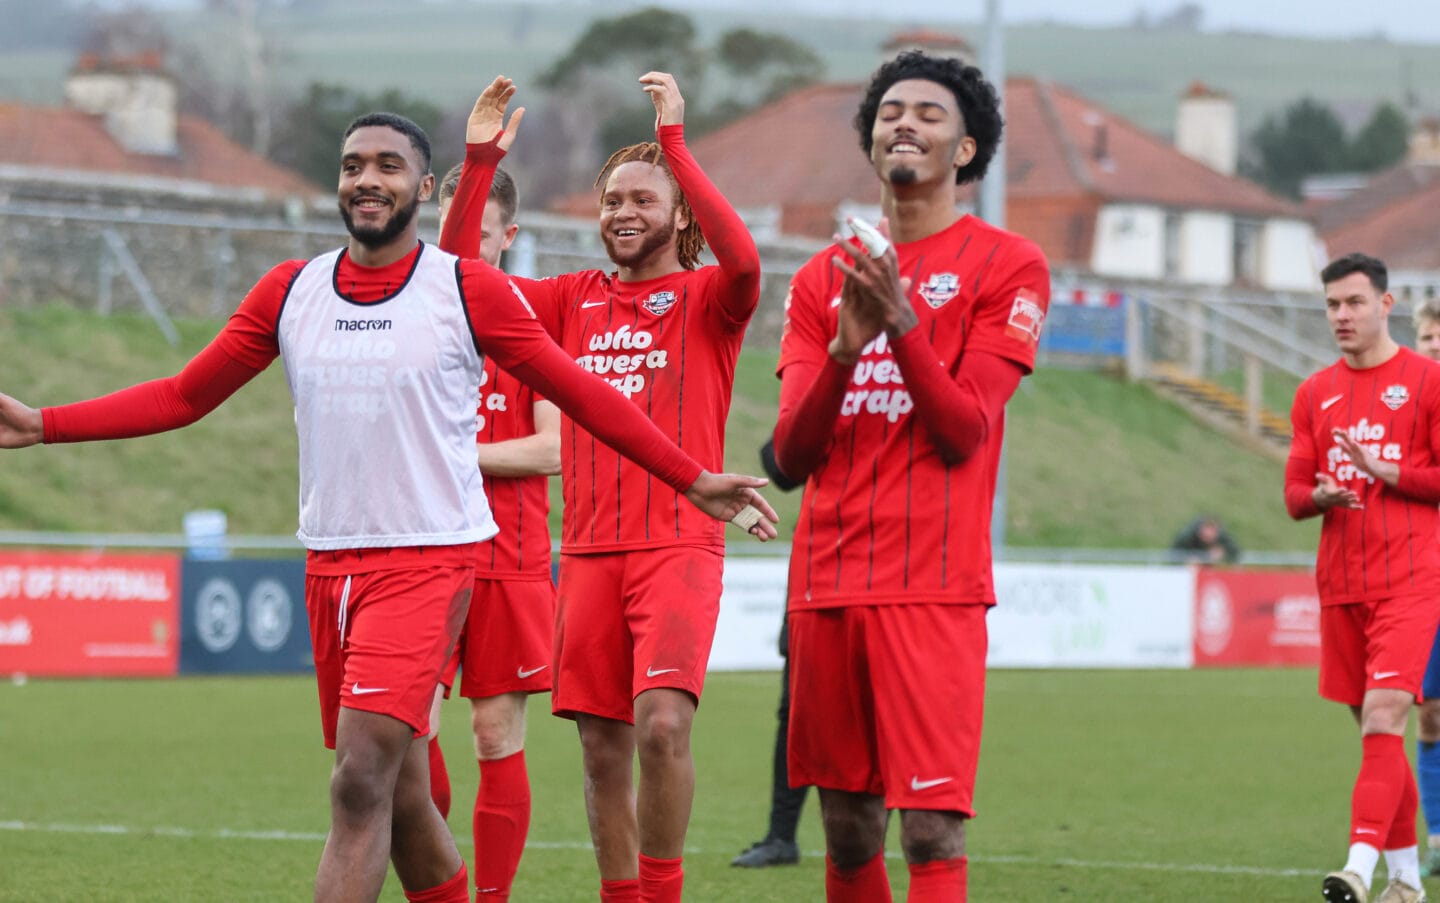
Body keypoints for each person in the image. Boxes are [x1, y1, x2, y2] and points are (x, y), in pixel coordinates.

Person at [0, 110, 777, 903]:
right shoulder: (291, 290)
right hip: (330, 565)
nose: (367, 179)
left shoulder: (463, 288)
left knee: (362, 778)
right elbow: (182, 395)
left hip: (430, 562)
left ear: (423, 187)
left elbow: (580, 393)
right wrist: (42, 423)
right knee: (403, 795)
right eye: (353, 165)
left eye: (388, 165)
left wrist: (690, 477)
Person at [440, 73, 761, 903]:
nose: (622, 211)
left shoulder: (709, 299)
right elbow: (460, 279)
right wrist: (479, 164)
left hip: (678, 545)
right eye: (612, 199)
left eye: (643, 199)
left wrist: (678, 148)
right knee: (601, 749)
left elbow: (746, 257)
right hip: (586, 554)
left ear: (679, 214)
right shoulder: (569, 300)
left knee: (663, 724)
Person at [773, 50, 1051, 902]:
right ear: (871, 140)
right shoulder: (820, 278)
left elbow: (965, 431)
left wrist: (900, 325)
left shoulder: (1010, 264)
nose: (905, 123)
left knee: (931, 826)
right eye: (891, 112)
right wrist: (843, 351)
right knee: (848, 825)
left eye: (930, 114)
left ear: (965, 150)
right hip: (826, 582)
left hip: (932, 585)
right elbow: (790, 456)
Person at [420, 149, 560, 903]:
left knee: (494, 735)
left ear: (509, 237)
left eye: (478, 231)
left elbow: (554, 449)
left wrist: (457, 453)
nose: (461, 245)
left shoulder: (533, 322)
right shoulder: (412, 320)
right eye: (450, 230)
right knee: (407, 731)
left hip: (509, 556)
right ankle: (437, 882)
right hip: (421, 555)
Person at [1285, 253, 1440, 903]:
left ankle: (1358, 865)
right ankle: (1407, 883)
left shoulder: (1429, 381)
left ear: (1386, 303)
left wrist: (1386, 471)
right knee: (1381, 739)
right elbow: (1293, 493)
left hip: (1411, 579)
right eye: (1332, 305)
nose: (1341, 315)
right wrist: (1320, 496)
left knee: (1384, 717)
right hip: (1342, 584)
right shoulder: (1313, 393)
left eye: (1354, 302)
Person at [732, 437, 809, 869]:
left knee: (878, 716)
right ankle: (781, 837)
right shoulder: (832, 408)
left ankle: (875, 832)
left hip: (892, 579)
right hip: (817, 576)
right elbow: (777, 462)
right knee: (794, 714)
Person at [1412, 297, 1440, 879]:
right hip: (1424, 583)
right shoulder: (1404, 410)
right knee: (1431, 713)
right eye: (1426, 337)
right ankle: (1438, 835)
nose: (1434, 346)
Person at [1169, 515, 1240, 564]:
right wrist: (1188, 557)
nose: (1208, 538)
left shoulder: (1223, 537)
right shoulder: (1187, 535)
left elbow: (1235, 551)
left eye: (1211, 536)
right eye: (1206, 536)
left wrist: (1223, 552)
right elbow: (1175, 551)